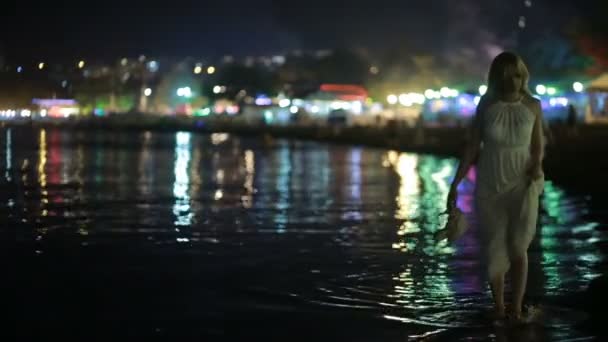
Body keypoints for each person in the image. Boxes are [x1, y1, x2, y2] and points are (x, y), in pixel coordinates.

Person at [446, 52, 544, 321]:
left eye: (516, 74)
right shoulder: (486, 105)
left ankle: (516, 308)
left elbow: (537, 146)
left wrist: (536, 166)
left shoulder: (534, 105)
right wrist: (456, 182)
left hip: (523, 181)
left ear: (522, 75)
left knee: (518, 244)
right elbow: (472, 146)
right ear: (496, 78)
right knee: (494, 246)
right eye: (505, 75)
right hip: (490, 182)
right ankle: (499, 308)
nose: (512, 80)